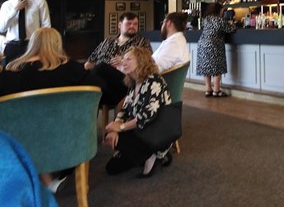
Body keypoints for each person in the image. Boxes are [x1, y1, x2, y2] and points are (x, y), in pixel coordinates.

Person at [0, 27, 104, 193]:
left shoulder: (10, 71)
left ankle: (37, 179)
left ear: (32, 44)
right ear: (58, 44)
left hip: (20, 142)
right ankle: (53, 177)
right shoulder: (71, 69)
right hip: (67, 140)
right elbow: (98, 88)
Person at [104, 46, 173, 178]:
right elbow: (124, 110)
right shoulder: (133, 83)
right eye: (123, 59)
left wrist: (121, 128)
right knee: (111, 168)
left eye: (128, 59)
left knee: (120, 140)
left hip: (155, 132)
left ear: (141, 61)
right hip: (139, 130)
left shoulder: (154, 81)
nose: (123, 62)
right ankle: (145, 153)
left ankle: (155, 152)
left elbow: (148, 116)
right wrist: (114, 128)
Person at [84, 12, 152, 105]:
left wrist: (125, 60)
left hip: (125, 83)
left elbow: (147, 63)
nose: (132, 26)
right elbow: (90, 61)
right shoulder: (107, 41)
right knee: (81, 73)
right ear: (119, 25)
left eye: (135, 24)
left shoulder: (142, 42)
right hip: (104, 87)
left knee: (101, 67)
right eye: (129, 23)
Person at [0, 0, 51, 65]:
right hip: (12, 46)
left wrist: (43, 46)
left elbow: (46, 26)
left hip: (32, 45)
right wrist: (15, 10)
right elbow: (2, 28)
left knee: (31, 75)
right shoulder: (6, 5)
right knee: (11, 76)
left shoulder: (40, 2)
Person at [197, 2, 236, 98]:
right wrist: (233, 24)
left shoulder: (205, 19)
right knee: (217, 67)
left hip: (202, 43)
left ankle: (208, 89)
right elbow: (231, 29)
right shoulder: (220, 20)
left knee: (206, 67)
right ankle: (216, 90)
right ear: (219, 10)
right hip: (214, 44)